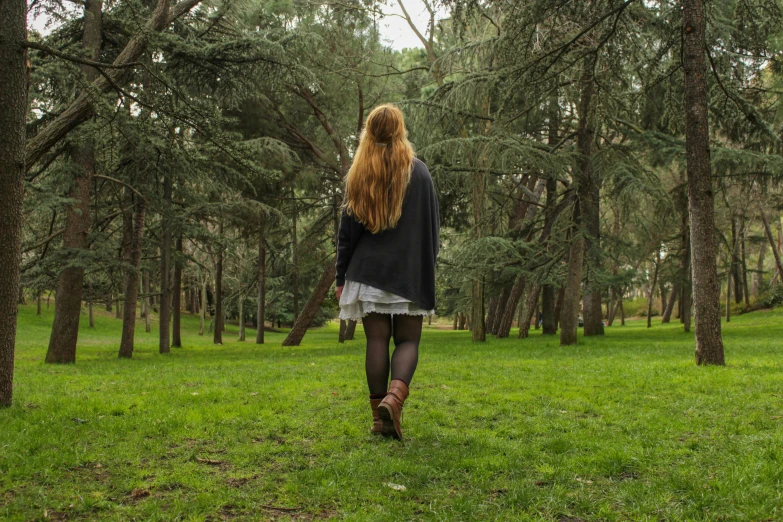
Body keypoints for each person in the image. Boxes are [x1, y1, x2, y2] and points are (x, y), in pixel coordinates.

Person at [335, 104, 440, 441]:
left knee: (377, 340)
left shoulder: (359, 171)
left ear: (369, 131)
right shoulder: (420, 172)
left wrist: (341, 278)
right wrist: (427, 264)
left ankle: (379, 420)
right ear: (400, 130)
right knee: (408, 340)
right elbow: (432, 227)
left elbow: (347, 234)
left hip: (368, 273)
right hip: (408, 272)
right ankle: (394, 400)